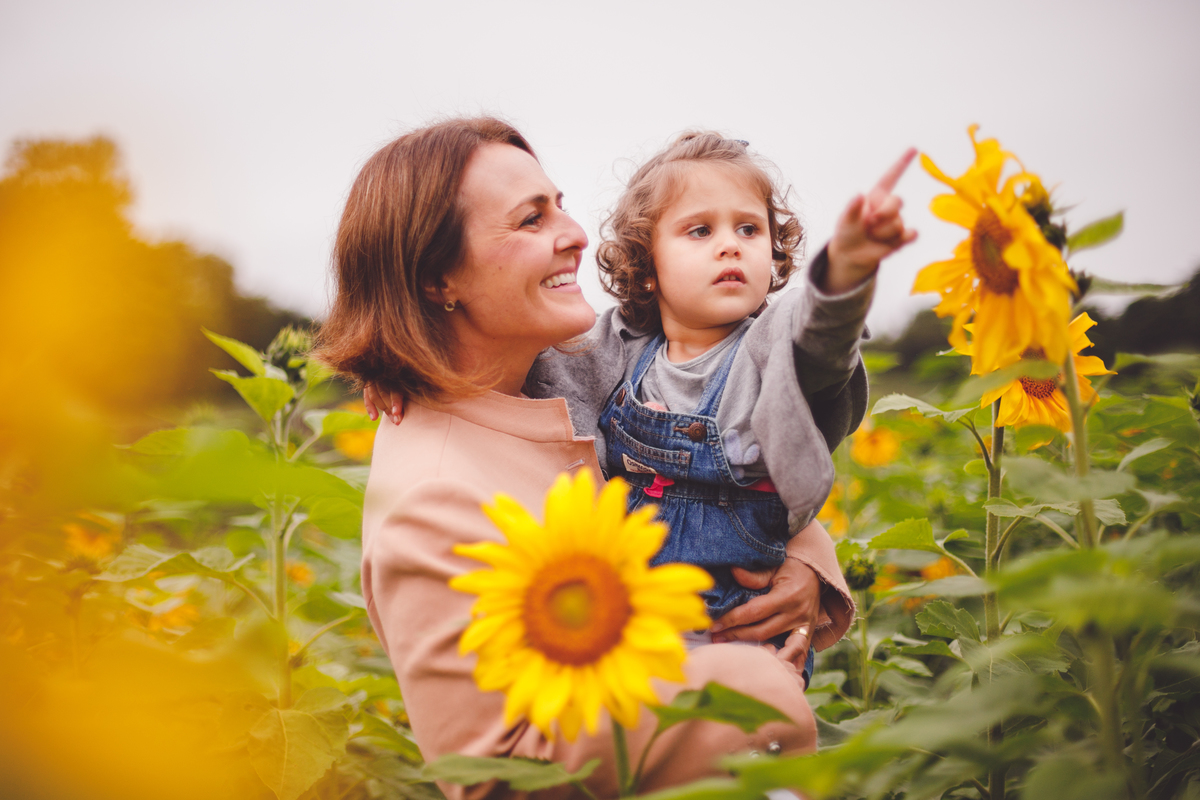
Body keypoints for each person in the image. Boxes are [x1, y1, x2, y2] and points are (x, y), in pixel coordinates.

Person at [322, 117, 881, 800]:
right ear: (440, 278)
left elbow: (723, 461)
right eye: (531, 219)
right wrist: (753, 690)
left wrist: (802, 564)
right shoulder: (432, 496)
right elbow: (498, 773)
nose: (576, 233)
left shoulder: (558, 371)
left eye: (558, 204)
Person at [517, 132, 916, 682]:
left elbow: (819, 334)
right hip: (632, 626)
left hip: (746, 628)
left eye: (749, 229)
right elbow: (530, 365)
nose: (730, 245)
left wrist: (846, 269)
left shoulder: (770, 347)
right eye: (700, 230)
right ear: (646, 263)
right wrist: (400, 363)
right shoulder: (617, 348)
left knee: (750, 756)